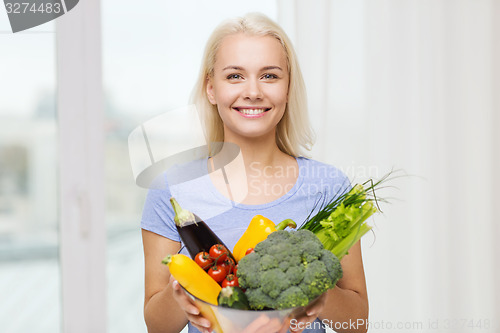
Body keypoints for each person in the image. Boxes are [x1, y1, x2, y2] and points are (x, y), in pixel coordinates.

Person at [141, 13, 368, 333]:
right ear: (211, 88)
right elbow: (156, 326)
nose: (252, 91)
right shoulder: (172, 189)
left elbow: (358, 324)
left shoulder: (328, 187)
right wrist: (181, 292)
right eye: (234, 76)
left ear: (288, 88)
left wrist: (320, 293)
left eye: (270, 76)